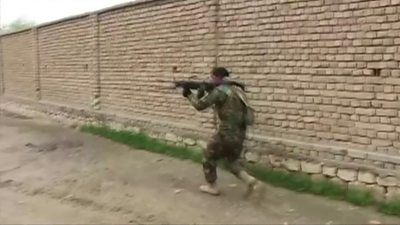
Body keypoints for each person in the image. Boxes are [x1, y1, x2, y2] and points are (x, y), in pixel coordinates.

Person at [182, 67, 261, 196]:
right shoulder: (238, 91)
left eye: (212, 77)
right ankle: (252, 182)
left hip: (226, 133)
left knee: (208, 157)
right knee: (231, 161)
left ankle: (211, 186)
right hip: (240, 134)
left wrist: (189, 94)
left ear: (217, 77)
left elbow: (200, 105)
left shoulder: (220, 91)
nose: (211, 79)